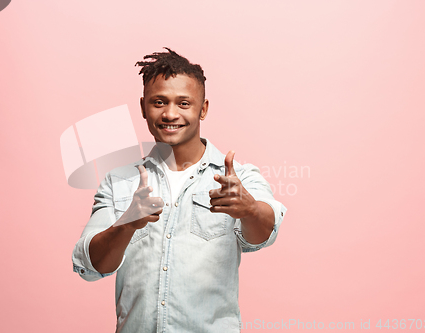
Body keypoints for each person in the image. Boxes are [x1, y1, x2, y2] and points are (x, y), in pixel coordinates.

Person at [72, 48, 287, 333]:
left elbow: (264, 234)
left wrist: (250, 210)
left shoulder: (238, 178)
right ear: (143, 107)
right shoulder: (119, 181)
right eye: (159, 102)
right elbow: (90, 266)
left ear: (203, 108)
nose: (170, 114)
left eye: (184, 103)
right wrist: (126, 224)